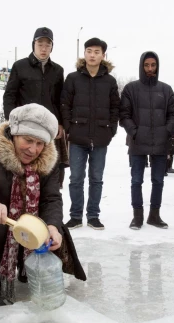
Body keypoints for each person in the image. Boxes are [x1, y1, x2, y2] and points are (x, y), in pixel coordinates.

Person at [0, 104, 85, 300]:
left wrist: (53, 226)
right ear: (14, 134)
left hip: (25, 223)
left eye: (40, 144)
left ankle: (28, 269)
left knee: (52, 228)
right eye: (28, 140)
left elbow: (51, 198)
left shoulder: (48, 162)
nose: (33, 149)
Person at [60, 38, 120, 230]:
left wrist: (110, 131)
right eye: (89, 51)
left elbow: (114, 108)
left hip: (101, 138)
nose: (92, 55)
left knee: (96, 178)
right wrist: (69, 128)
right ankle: (76, 216)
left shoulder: (109, 81)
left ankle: (93, 215)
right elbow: (65, 105)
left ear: (103, 55)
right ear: (84, 53)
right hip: (77, 137)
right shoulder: (73, 78)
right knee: (76, 178)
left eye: (96, 51)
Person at [3, 27, 68, 189]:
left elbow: (60, 100)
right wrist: (11, 121)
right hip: (24, 128)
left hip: (48, 129)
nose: (43, 48)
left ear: (52, 47)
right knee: (22, 168)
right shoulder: (20, 66)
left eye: (47, 45)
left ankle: (47, 199)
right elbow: (10, 96)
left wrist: (60, 123)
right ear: (33, 45)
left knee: (49, 169)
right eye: (40, 44)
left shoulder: (58, 70)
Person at [120, 51, 174, 230]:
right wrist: (134, 132)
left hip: (160, 143)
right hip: (138, 142)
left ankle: (154, 215)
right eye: (147, 65)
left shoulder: (166, 89)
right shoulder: (131, 89)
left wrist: (166, 131)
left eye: (153, 65)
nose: (150, 69)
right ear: (141, 66)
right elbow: (124, 115)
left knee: (158, 181)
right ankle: (137, 216)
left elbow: (173, 115)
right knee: (136, 180)